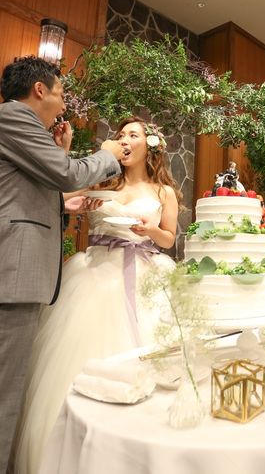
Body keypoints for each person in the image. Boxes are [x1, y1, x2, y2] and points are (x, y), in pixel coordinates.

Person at [14, 116, 180, 474]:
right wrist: (66, 163)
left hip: (146, 273)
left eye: (133, 134)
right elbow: (58, 198)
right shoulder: (101, 181)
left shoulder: (163, 192)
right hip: (95, 273)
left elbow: (169, 238)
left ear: (149, 146)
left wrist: (152, 231)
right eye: (120, 135)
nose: (124, 140)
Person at [0, 56, 124, 474]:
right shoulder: (13, 117)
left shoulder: (21, 127)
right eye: (60, 92)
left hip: (19, 273)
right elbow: (66, 174)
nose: (64, 102)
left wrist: (62, 193)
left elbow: (30, 186)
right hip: (12, 273)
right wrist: (105, 154)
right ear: (40, 90)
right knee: (5, 393)